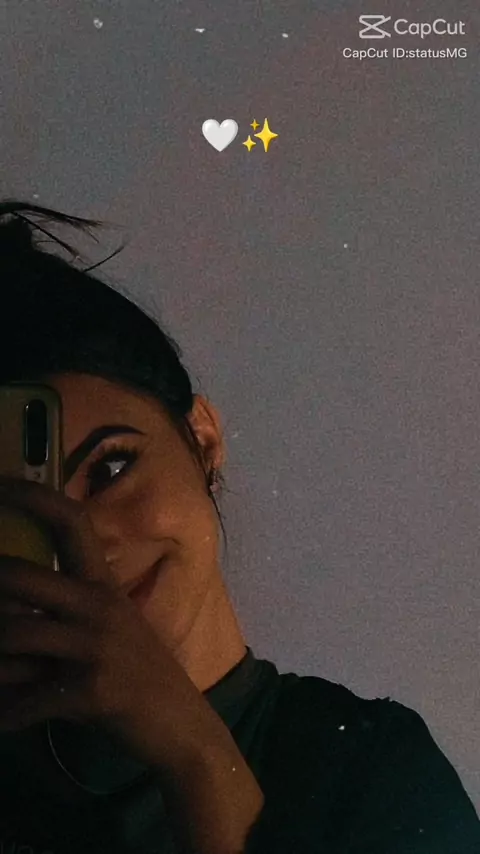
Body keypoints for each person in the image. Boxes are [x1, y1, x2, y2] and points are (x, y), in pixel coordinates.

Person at [0, 199, 478, 854]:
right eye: (28, 512)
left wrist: (194, 754)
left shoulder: (372, 772)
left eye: (112, 468)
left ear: (201, 440)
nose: (89, 539)